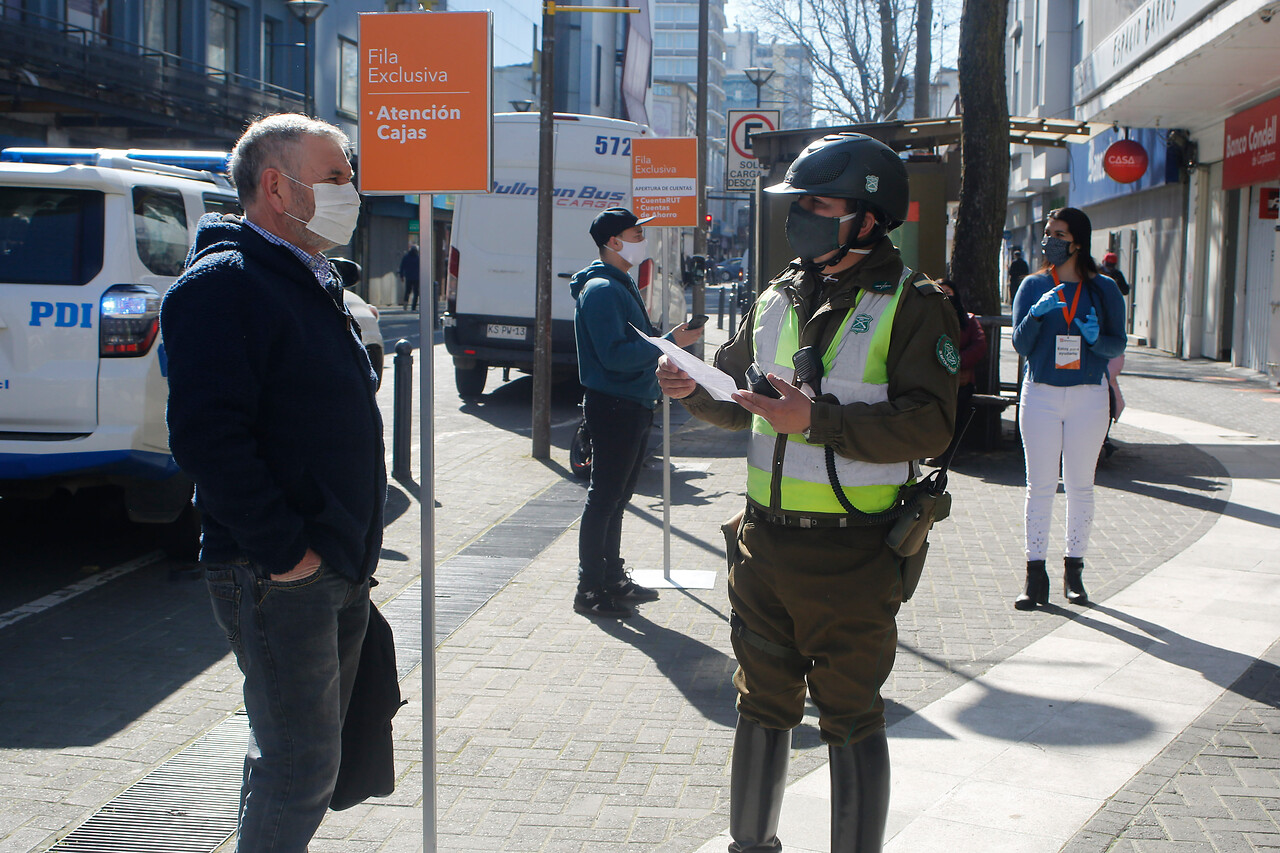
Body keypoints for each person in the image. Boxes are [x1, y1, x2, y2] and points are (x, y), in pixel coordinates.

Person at [657, 133, 959, 853]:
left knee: (850, 713)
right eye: (800, 205)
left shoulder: (912, 304)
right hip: (763, 546)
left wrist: (815, 420)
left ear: (867, 215)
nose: (801, 218)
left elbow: (934, 427)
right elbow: (741, 398)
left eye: (818, 205)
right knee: (760, 704)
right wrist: (691, 385)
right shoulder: (775, 296)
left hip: (854, 555)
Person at [160, 114, 386, 852]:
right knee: (301, 765)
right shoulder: (225, 285)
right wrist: (288, 552)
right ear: (275, 185)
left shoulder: (308, 278)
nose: (351, 191)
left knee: (296, 760)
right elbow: (207, 439)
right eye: (336, 176)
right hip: (280, 570)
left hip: (331, 564)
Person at [570, 207, 703, 619]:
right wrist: (669, 341)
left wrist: (667, 343)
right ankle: (589, 588)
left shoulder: (617, 283)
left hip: (630, 403)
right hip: (615, 405)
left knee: (617, 497)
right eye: (633, 233)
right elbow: (614, 356)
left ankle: (611, 578)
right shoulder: (603, 290)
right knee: (605, 498)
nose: (641, 238)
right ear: (613, 241)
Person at [1011, 207, 1126, 610]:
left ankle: (1074, 571)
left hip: (1087, 396)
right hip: (1040, 394)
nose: (1050, 240)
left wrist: (1096, 340)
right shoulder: (1032, 285)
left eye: (1058, 233)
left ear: (1078, 241)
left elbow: (1117, 344)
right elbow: (1021, 346)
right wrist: (1036, 316)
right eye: (1047, 232)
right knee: (1039, 486)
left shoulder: (1104, 289)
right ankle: (1034, 574)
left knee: (1080, 486)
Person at [935, 279, 986, 464]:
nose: (946, 297)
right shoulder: (929, 318)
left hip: (960, 380)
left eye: (949, 293)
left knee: (957, 412)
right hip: (934, 378)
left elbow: (979, 345)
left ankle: (950, 452)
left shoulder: (970, 320)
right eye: (941, 293)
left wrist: (954, 362)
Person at [399, 242, 420, 310]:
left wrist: (401, 276)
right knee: (416, 292)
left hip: (409, 277)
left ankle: (405, 305)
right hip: (417, 277)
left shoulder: (406, 257)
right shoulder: (418, 258)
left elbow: (402, 267)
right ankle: (413, 306)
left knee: (407, 291)